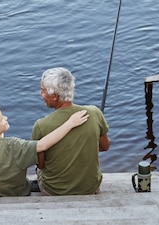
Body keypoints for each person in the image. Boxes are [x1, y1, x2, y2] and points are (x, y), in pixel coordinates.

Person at [0, 102, 89, 197]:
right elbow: (42, 145)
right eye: (0, 118)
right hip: (11, 193)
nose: (6, 117)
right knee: (40, 166)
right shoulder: (13, 145)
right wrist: (70, 123)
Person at [32, 67, 110, 195]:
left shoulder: (41, 125)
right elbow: (105, 146)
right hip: (90, 187)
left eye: (43, 91)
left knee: (38, 167)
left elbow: (40, 164)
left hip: (55, 190)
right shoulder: (95, 113)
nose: (41, 95)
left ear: (55, 96)